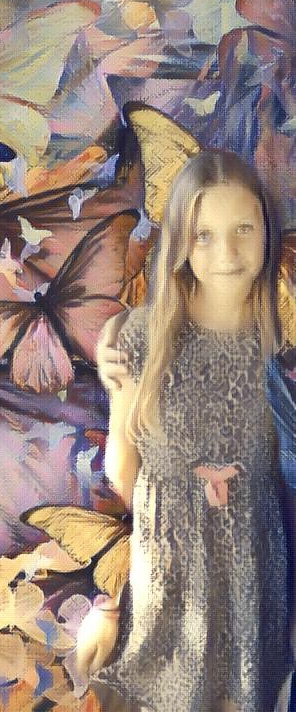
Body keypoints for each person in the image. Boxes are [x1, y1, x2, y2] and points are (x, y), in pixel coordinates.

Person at [82, 150, 295, 711]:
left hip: (256, 578)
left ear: (266, 231)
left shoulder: (282, 339)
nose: (226, 253)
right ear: (181, 242)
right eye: (204, 236)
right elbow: (121, 471)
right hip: (170, 580)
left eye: (243, 229)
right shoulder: (139, 337)